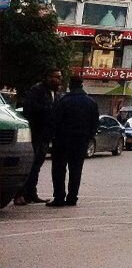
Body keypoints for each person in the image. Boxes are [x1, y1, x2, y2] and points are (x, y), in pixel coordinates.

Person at [46, 76, 99, 207]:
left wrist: (52, 136)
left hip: (62, 140)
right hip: (81, 141)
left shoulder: (63, 101)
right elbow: (95, 124)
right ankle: (72, 197)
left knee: (59, 169)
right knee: (76, 170)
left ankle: (59, 197)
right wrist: (88, 137)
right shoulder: (91, 102)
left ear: (70, 85)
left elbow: (54, 120)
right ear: (81, 85)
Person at [14, 69, 61, 206]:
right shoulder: (37, 90)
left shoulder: (55, 93)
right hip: (35, 133)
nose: (58, 80)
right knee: (29, 165)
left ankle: (31, 193)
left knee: (37, 166)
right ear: (47, 77)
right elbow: (30, 109)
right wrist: (50, 111)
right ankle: (19, 194)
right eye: (56, 77)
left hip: (46, 135)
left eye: (60, 77)